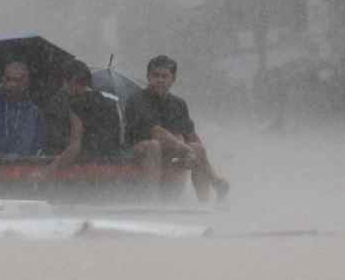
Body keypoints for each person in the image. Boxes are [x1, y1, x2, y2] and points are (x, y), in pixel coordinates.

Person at [40, 60, 162, 187]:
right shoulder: (111, 103)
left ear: (72, 82)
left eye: (65, 83)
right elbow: (119, 136)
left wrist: (48, 170)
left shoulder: (76, 105)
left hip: (90, 164)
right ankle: (152, 199)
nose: (64, 88)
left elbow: (75, 148)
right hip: (113, 161)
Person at [124, 55, 228, 202]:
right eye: (156, 75)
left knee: (197, 147)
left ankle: (204, 203)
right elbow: (156, 132)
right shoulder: (137, 100)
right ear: (148, 77)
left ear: (173, 79)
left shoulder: (179, 104)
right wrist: (186, 150)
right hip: (138, 151)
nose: (160, 80)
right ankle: (151, 201)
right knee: (153, 146)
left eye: (164, 76)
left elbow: (191, 135)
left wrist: (197, 155)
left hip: (171, 152)